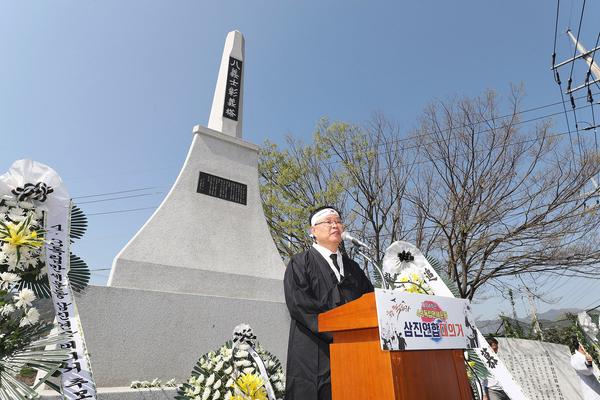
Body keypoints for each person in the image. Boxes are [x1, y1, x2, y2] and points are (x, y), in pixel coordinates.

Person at [283, 206, 374, 400]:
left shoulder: (354, 267)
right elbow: (300, 306)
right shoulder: (300, 263)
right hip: (314, 354)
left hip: (354, 354)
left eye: (338, 221)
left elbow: (369, 302)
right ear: (313, 231)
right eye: (329, 222)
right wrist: (338, 332)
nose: (335, 225)